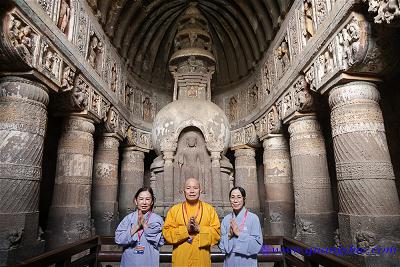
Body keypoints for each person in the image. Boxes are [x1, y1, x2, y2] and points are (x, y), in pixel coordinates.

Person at [163, 177, 220, 267]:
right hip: (181, 259)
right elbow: (167, 234)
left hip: (202, 259)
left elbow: (216, 234)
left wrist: (199, 228)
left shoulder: (209, 210)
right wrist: (186, 230)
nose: (192, 191)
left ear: (200, 191)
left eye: (195, 188)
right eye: (188, 188)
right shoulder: (174, 210)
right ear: (184, 191)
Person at [115, 187, 164, 267]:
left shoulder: (157, 219)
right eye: (141, 199)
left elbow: (160, 241)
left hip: (149, 260)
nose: (144, 202)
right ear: (136, 201)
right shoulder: (128, 218)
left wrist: (145, 225)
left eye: (148, 199)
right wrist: (136, 226)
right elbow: (119, 239)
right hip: (130, 259)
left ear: (152, 202)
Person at [219, 186, 263, 266]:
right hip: (230, 262)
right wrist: (229, 235)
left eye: (239, 197)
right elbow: (222, 247)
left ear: (244, 199)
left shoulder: (253, 218)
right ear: (229, 199)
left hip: (248, 262)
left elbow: (257, 246)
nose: (235, 200)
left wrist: (239, 233)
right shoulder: (226, 219)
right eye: (232, 197)